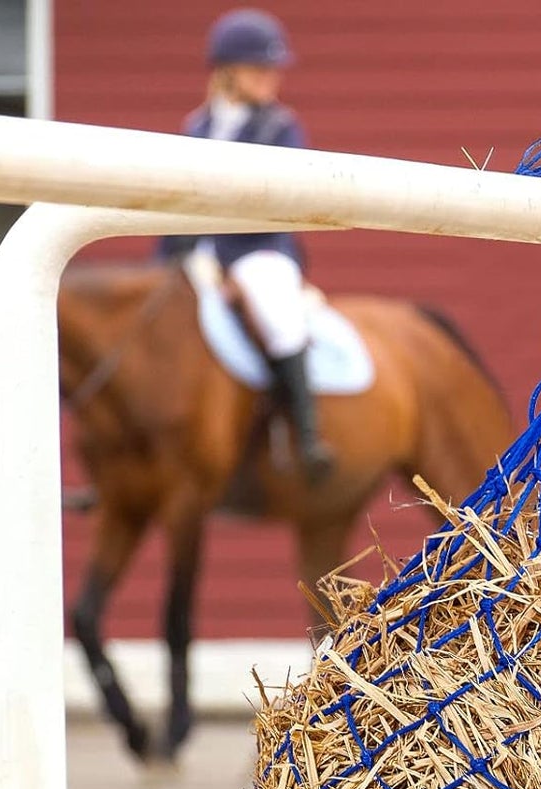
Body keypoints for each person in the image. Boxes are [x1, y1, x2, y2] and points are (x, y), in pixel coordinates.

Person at [161, 8, 333, 482]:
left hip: (259, 250)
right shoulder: (195, 125)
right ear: (227, 71)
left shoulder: (281, 128)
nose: (270, 77)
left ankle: (308, 436)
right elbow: (177, 200)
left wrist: (231, 268)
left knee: (277, 315)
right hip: (201, 253)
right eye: (260, 68)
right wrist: (170, 258)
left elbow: (287, 199)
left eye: (273, 68)